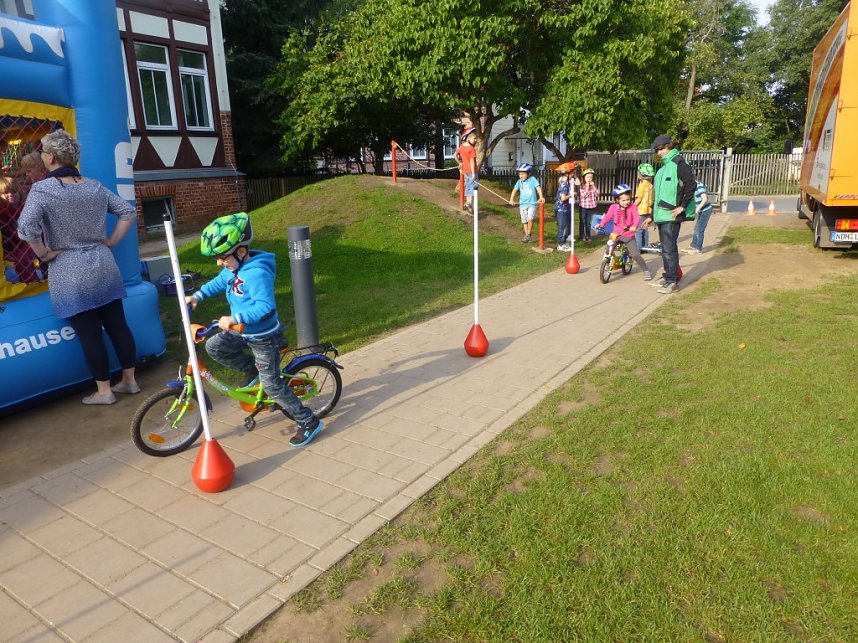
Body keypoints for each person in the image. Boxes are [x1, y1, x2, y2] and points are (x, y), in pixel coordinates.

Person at [17, 129, 140, 404]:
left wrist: (44, 253)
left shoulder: (43, 189)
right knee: (118, 325)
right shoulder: (94, 186)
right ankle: (130, 381)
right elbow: (127, 211)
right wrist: (111, 241)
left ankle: (104, 391)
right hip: (103, 262)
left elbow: (26, 227)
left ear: (49, 157)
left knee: (89, 333)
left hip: (69, 268)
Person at [186, 212, 324, 447]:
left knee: (272, 385)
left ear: (241, 251)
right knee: (214, 346)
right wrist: (198, 295)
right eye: (218, 259)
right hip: (243, 332)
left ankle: (308, 421)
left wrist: (234, 317)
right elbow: (219, 281)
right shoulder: (233, 269)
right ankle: (254, 372)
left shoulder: (257, 273)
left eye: (222, 258)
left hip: (264, 337)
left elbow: (265, 307)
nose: (220, 263)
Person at [643, 134, 696, 294]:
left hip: (671, 216)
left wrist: (682, 206)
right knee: (665, 249)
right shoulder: (663, 169)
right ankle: (668, 276)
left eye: (661, 149)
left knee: (669, 249)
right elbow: (659, 196)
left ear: (669, 146)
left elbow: (690, 185)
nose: (659, 153)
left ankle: (672, 281)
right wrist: (651, 216)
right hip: (661, 216)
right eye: (657, 151)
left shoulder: (679, 163)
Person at [595, 184, 652, 280]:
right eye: (623, 200)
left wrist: (634, 226)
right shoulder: (613, 207)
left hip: (628, 235)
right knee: (608, 249)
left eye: (628, 200)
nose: (626, 202)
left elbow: (636, 218)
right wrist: (601, 224)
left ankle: (646, 270)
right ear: (617, 200)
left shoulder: (633, 207)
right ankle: (611, 261)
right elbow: (608, 217)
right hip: (616, 234)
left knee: (635, 254)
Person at [0, 175, 40, 283]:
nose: (11, 195)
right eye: (6, 193)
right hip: (11, 249)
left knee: (24, 257)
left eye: (14, 191)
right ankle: (29, 281)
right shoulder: (3, 212)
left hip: (30, 243)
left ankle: (34, 280)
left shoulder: (25, 207)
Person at [508, 162, 544, 243]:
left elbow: (538, 188)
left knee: (530, 218)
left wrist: (541, 197)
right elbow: (514, 190)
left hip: (532, 204)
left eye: (523, 174)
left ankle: (528, 234)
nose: (521, 176)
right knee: (524, 220)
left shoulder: (533, 180)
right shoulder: (519, 182)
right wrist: (511, 199)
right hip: (522, 204)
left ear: (528, 173)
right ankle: (526, 235)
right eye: (520, 174)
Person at [685, 180, 713, 254]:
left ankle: (698, 249)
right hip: (702, 211)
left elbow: (705, 198)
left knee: (699, 230)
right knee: (696, 228)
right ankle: (693, 245)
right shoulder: (694, 185)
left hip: (705, 210)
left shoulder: (698, 186)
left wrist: (698, 208)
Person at [454, 127, 478, 213]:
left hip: (465, 171)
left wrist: (459, 163)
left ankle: (468, 203)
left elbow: (455, 155)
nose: (476, 140)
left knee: (468, 186)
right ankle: (469, 203)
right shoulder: (472, 149)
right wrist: (473, 173)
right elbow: (472, 161)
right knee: (473, 187)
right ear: (468, 138)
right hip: (472, 171)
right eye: (474, 138)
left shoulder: (462, 147)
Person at [554, 162, 574, 251]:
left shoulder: (563, 181)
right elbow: (563, 198)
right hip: (561, 208)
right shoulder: (564, 184)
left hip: (562, 208)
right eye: (572, 172)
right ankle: (561, 244)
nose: (574, 174)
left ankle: (563, 242)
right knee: (563, 226)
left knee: (563, 226)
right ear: (568, 174)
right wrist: (571, 195)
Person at [634, 162, 655, 250]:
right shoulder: (650, 185)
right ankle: (645, 246)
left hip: (641, 210)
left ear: (641, 174)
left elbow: (639, 199)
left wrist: (631, 207)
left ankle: (638, 248)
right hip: (649, 210)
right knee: (645, 228)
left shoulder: (642, 185)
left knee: (638, 230)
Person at [575, 168, 599, 242]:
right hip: (583, 206)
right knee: (582, 221)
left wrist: (593, 187)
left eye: (591, 177)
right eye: (587, 177)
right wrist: (587, 188)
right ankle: (581, 236)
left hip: (590, 206)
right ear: (584, 178)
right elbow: (583, 196)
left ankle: (588, 236)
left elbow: (597, 194)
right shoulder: (582, 186)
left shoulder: (593, 186)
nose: (589, 179)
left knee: (588, 222)